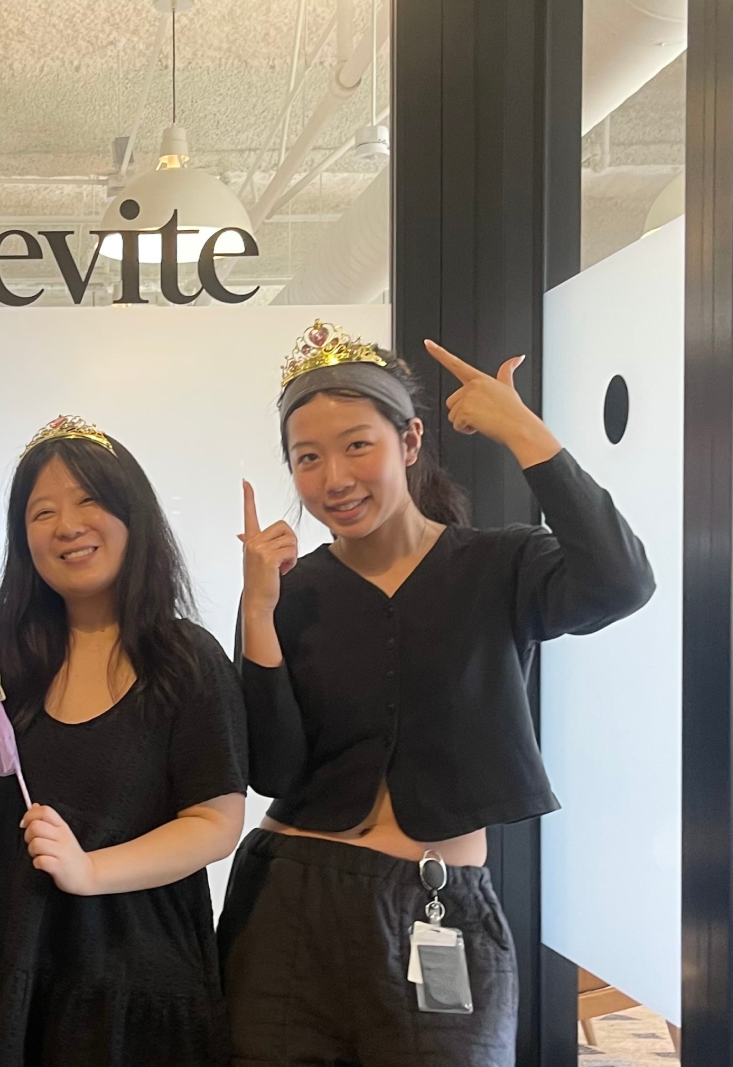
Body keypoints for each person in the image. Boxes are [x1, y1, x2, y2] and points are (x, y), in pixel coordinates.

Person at [217, 323, 654, 1066]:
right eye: (307, 457)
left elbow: (621, 581)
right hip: (289, 903)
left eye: (359, 444)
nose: (334, 478)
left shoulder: (502, 563)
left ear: (410, 441)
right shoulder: (293, 592)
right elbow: (275, 771)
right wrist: (256, 612)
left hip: (440, 902)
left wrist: (523, 431)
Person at [0, 415, 248, 1067]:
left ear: (134, 516)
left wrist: (89, 869)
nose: (67, 525)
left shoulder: (187, 659)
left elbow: (216, 821)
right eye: (42, 512)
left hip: (123, 981)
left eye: (89, 501)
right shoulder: (7, 643)